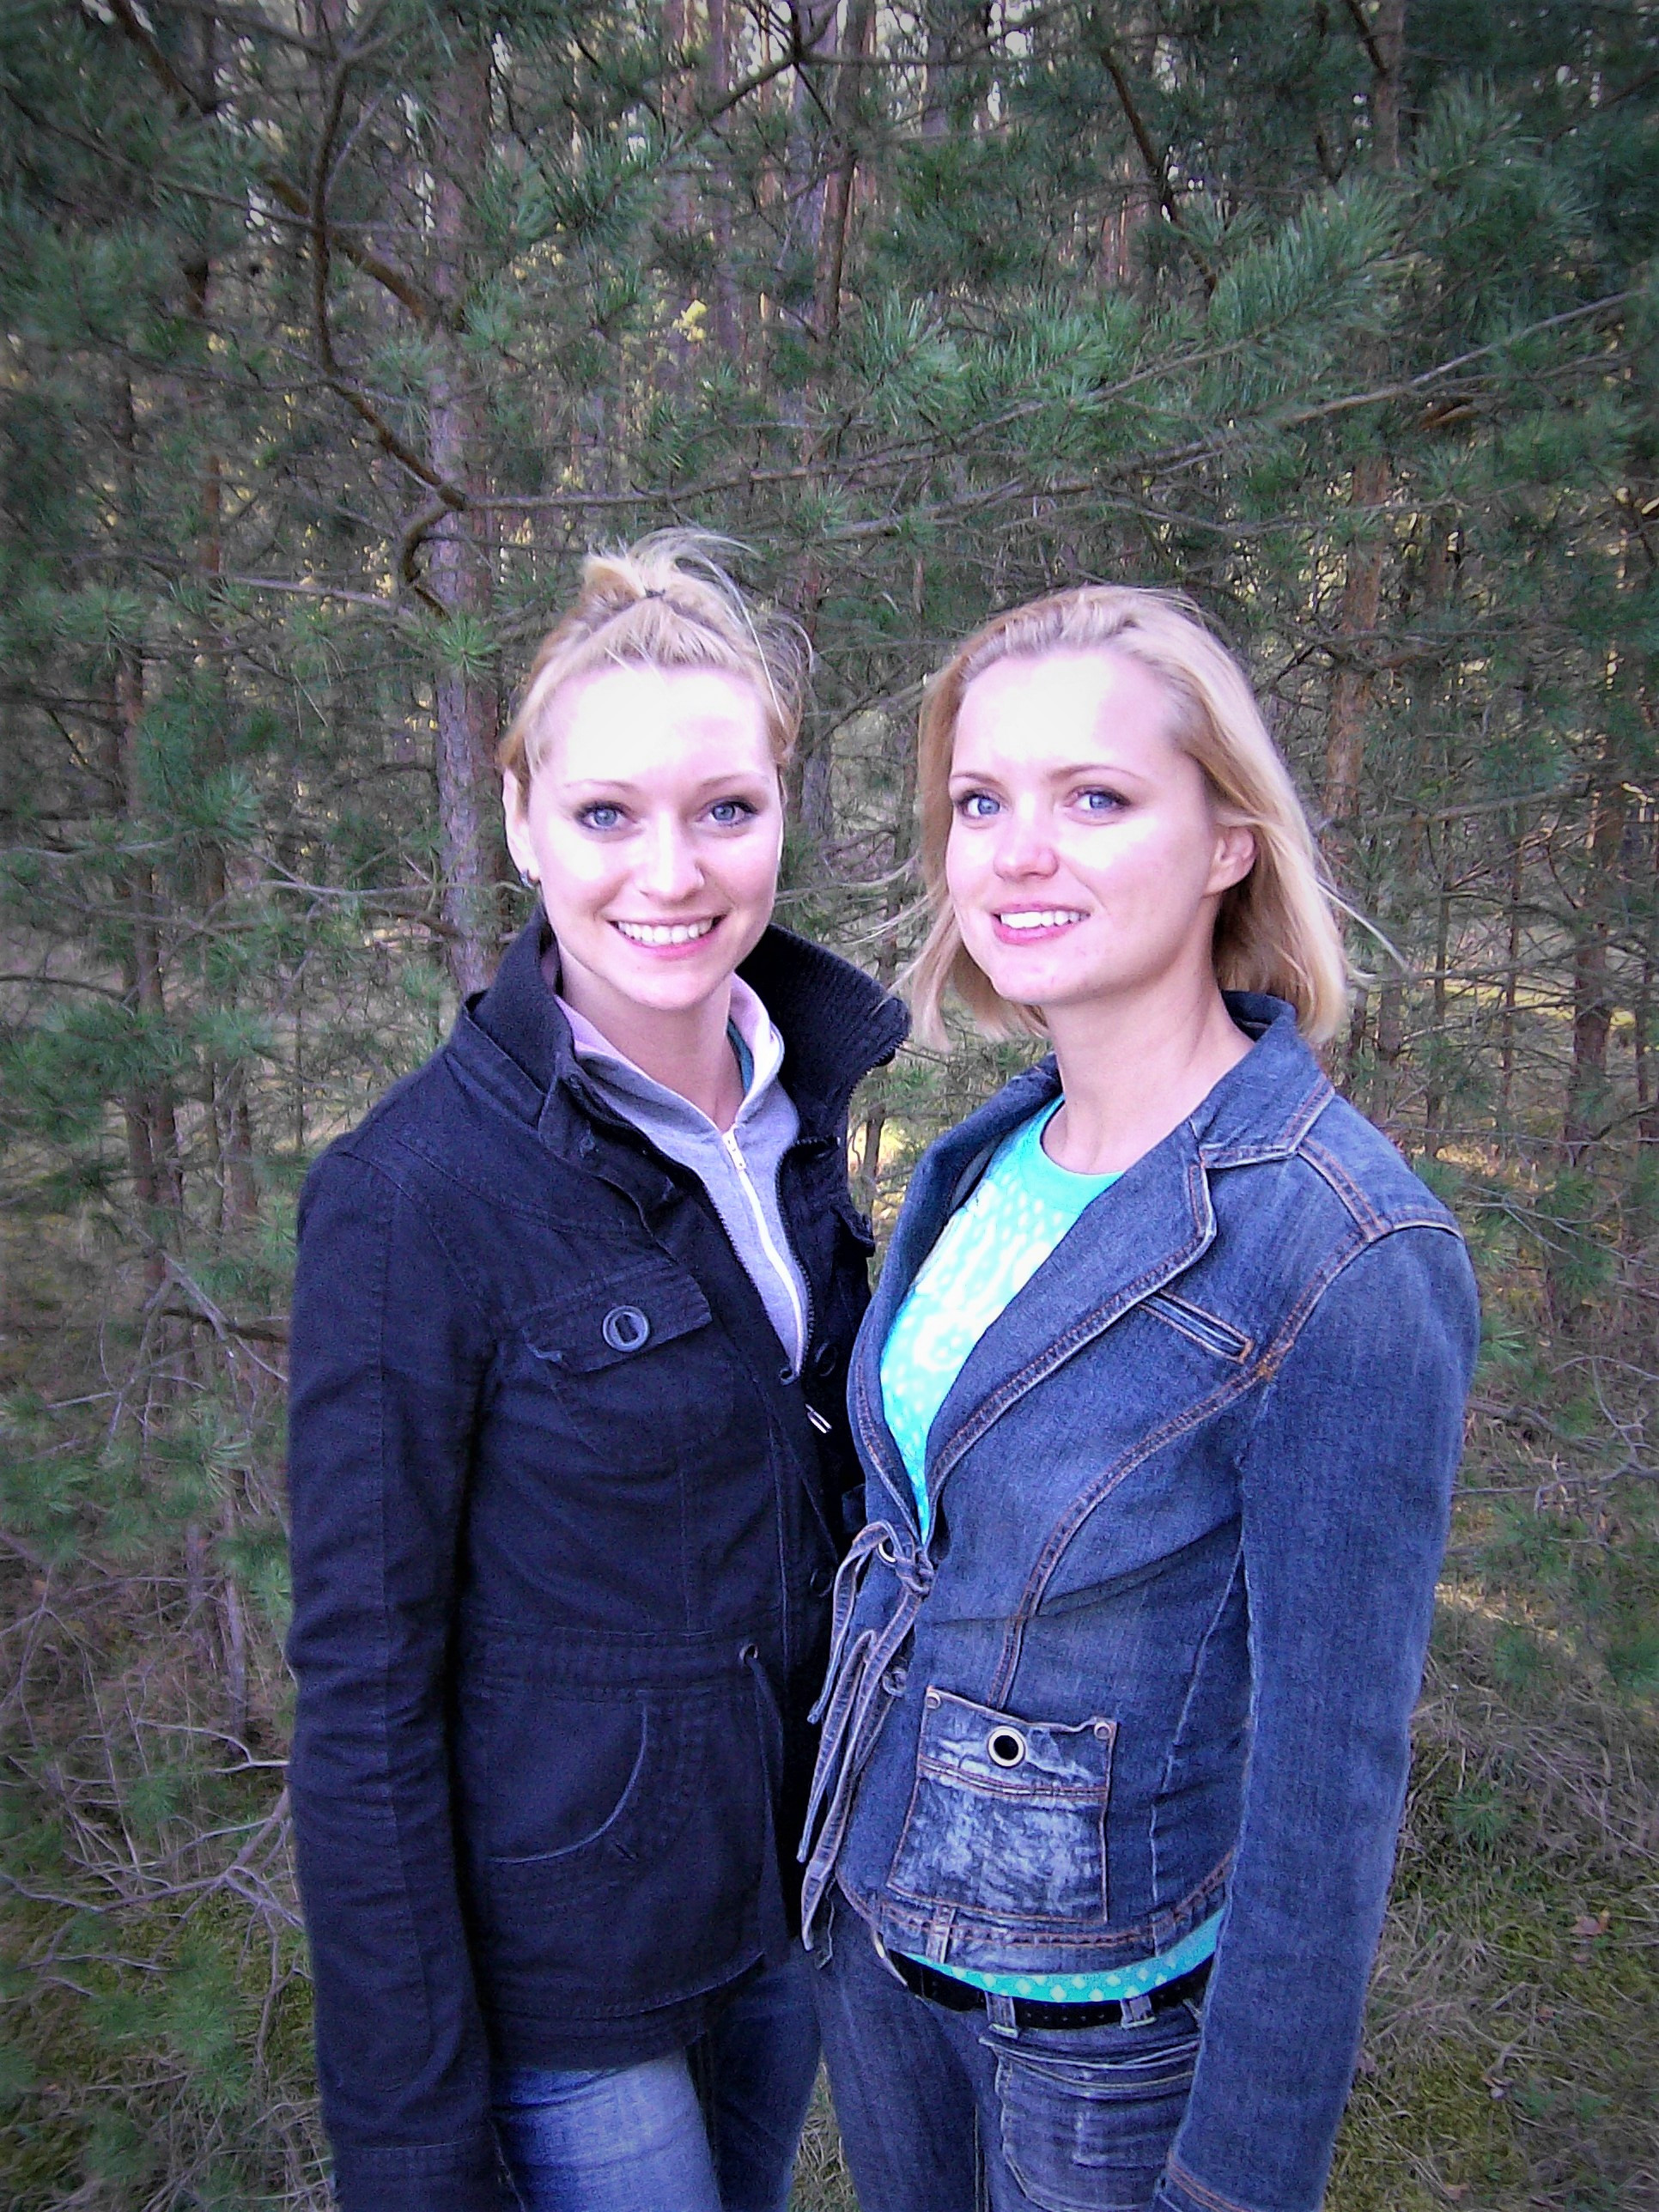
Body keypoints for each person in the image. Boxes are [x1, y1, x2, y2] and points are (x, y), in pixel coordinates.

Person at [799, 584, 1479, 2212]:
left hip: (1091, 2055)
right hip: (873, 1951)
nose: (1018, 854)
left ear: (1229, 841)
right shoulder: (986, 1156)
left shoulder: (1341, 1245)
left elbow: (1331, 1775)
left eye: (1095, 797)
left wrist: (1238, 2177)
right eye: (981, 802)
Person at [284, 532, 907, 2212]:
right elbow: (362, 1691)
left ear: (782, 810)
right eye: (607, 814)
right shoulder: (412, 1197)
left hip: (782, 1905)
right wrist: (410, 2146)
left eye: (725, 808)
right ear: (521, 822)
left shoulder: (796, 1116)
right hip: (571, 1978)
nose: (673, 872)